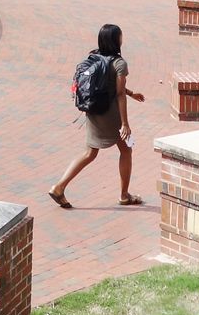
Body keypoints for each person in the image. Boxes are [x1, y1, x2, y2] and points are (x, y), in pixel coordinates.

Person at [49, 23, 146, 210]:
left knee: (89, 152)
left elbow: (110, 85)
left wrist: (131, 93)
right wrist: (125, 123)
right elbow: (118, 94)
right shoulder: (119, 63)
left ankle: (59, 187)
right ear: (116, 40)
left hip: (93, 111)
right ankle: (124, 195)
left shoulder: (94, 57)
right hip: (110, 114)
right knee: (126, 150)